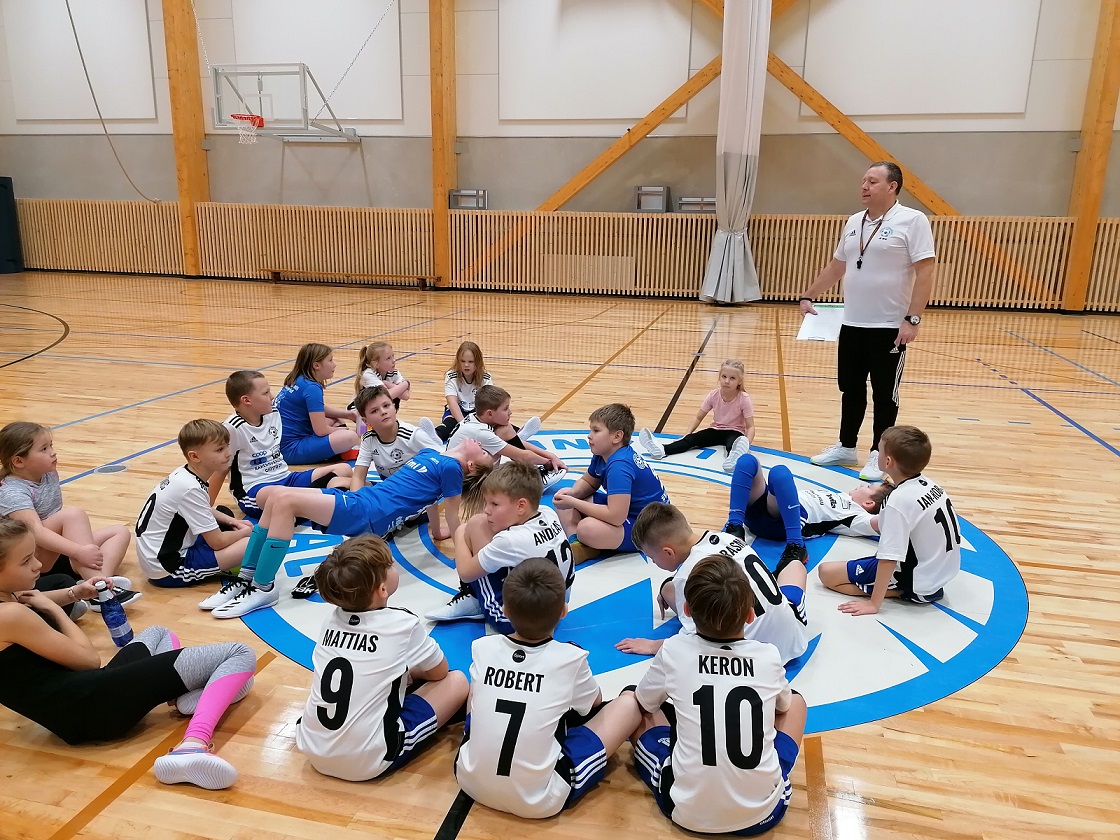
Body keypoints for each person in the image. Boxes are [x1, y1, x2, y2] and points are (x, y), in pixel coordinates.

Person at [0, 517, 256, 790]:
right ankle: (192, 744)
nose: (38, 565)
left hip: (76, 707)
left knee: (158, 633)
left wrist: (75, 592)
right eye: (26, 561)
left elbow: (31, 600)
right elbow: (89, 661)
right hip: (95, 708)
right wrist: (54, 611)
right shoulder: (11, 616)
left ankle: (186, 696)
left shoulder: (8, 598)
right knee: (239, 654)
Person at [209, 440, 494, 619]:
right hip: (365, 501)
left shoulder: (452, 468)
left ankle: (263, 587)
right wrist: (437, 531)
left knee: (285, 501)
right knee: (276, 497)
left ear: (470, 464)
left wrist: (463, 549)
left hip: (371, 514)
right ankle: (246, 579)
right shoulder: (432, 453)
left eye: (483, 451)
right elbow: (432, 500)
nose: (480, 443)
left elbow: (453, 514)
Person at [631, 556, 807, 835]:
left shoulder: (674, 649)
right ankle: (767, 776)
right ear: (750, 614)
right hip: (764, 813)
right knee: (795, 702)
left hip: (687, 813)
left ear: (686, 610)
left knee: (636, 705)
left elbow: (644, 701)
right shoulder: (768, 656)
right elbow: (784, 706)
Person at [454, 557, 641, 819]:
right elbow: (594, 702)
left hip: (467, 778)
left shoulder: (482, 648)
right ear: (563, 611)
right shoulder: (571, 658)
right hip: (539, 799)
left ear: (504, 610)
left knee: (478, 686)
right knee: (629, 704)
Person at [798, 161, 937, 482]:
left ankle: (879, 453)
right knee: (850, 389)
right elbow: (837, 266)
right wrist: (808, 294)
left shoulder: (912, 220)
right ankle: (846, 446)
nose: (864, 186)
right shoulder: (853, 222)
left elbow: (926, 270)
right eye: (863, 180)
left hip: (889, 327)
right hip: (852, 324)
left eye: (872, 181)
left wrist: (913, 318)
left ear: (892, 186)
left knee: (884, 394)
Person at [295, 535, 467, 781]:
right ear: (382, 589)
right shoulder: (402, 623)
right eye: (391, 564)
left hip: (311, 746)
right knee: (457, 680)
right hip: (367, 761)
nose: (395, 566)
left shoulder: (331, 619)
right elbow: (439, 672)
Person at [616, 502, 809, 666]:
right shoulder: (727, 537)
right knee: (794, 566)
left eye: (652, 557)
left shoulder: (687, 576)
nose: (654, 563)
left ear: (668, 552)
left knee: (682, 598)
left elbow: (692, 643)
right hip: (792, 635)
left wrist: (653, 646)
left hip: (749, 657)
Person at [817, 425, 960, 615]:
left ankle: (902, 592)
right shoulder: (930, 484)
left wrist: (874, 604)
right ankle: (914, 589)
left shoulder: (897, 501)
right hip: (940, 574)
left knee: (827, 573)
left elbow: (889, 558)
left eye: (879, 449)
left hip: (918, 582)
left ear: (887, 461)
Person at [0, 421, 137, 606]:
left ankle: (96, 585)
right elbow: (35, 533)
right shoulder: (11, 492)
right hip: (33, 558)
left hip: (56, 550)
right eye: (44, 449)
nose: (52, 452)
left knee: (119, 532)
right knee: (72, 515)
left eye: (51, 446)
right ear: (18, 461)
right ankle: (101, 589)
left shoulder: (47, 473)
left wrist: (79, 551)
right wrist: (78, 551)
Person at [426, 461, 571, 626]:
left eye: (494, 504)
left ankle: (475, 597)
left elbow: (465, 572)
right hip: (557, 608)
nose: (486, 509)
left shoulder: (510, 541)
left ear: (521, 505)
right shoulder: (548, 512)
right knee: (482, 522)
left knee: (475, 525)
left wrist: (459, 533)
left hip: (520, 621)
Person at [214, 370, 352, 519]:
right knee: (280, 495)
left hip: (286, 479)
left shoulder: (273, 413)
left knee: (343, 469)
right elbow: (220, 469)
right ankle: (325, 496)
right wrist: (206, 507)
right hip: (256, 489)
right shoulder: (232, 428)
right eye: (265, 393)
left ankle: (310, 502)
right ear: (247, 400)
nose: (272, 397)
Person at [135, 419, 252, 588]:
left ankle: (221, 559)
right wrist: (244, 532)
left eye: (227, 446)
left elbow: (205, 508)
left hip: (158, 556)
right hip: (169, 569)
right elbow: (218, 542)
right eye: (220, 449)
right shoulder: (190, 488)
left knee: (224, 514)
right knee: (250, 543)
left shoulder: (185, 474)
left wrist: (234, 522)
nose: (228, 453)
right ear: (194, 456)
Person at [553, 404, 669, 563]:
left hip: (649, 528)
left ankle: (589, 543)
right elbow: (588, 482)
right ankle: (578, 544)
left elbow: (616, 517)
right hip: (631, 513)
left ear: (617, 437)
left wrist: (574, 502)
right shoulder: (604, 454)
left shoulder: (619, 465)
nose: (589, 436)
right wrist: (573, 495)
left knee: (586, 528)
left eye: (596, 431)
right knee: (565, 496)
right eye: (590, 430)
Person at [724, 451, 890, 553]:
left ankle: (795, 545)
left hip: (784, 524)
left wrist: (900, 492)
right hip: (762, 514)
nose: (863, 485)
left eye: (869, 487)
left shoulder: (857, 516)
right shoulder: (842, 496)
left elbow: (885, 520)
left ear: (869, 504)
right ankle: (735, 528)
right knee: (747, 460)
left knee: (780, 473)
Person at [349, 385, 446, 534]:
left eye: (386, 406)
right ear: (365, 420)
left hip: (415, 493)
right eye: (374, 411)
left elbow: (445, 460)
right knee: (340, 483)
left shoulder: (412, 435)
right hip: (392, 490)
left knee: (398, 516)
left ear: (394, 407)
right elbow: (358, 476)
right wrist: (357, 505)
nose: (383, 412)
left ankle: (434, 442)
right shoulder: (368, 439)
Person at [638, 359, 755, 473]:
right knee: (692, 439)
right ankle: (662, 449)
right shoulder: (713, 395)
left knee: (733, 445)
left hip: (735, 432)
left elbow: (750, 427)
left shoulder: (743, 399)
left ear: (739, 381)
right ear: (719, 377)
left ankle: (735, 459)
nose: (727, 381)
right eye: (724, 376)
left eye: (732, 378)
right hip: (716, 430)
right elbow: (698, 417)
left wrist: (747, 444)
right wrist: (687, 434)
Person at [446, 385, 562, 485]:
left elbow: (518, 443)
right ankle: (533, 480)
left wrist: (549, 455)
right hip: (464, 484)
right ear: (490, 414)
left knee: (505, 430)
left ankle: (530, 475)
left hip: (461, 472)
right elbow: (523, 455)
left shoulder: (476, 418)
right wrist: (547, 463)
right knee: (506, 443)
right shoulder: (480, 432)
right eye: (506, 409)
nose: (510, 412)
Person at [273, 343, 360, 465]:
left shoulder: (298, 379)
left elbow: (318, 409)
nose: (334, 364)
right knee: (350, 436)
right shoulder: (312, 388)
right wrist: (338, 430)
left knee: (336, 419)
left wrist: (348, 414)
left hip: (280, 444)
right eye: (330, 360)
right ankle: (336, 452)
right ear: (316, 365)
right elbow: (321, 430)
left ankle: (333, 448)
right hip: (291, 450)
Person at [435, 341, 492, 441]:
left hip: (477, 413)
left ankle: (518, 434)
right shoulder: (451, 376)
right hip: (457, 412)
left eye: (470, 362)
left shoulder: (486, 378)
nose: (466, 365)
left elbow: (489, 404)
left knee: (495, 428)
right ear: (458, 361)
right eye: (462, 361)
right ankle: (431, 436)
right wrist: (463, 425)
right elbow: (452, 402)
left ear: (478, 362)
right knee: (448, 426)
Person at [354, 341, 411, 414]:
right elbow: (385, 396)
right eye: (388, 358)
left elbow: (406, 396)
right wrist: (406, 384)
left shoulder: (394, 373)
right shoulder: (368, 374)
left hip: (379, 413)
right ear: (376, 364)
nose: (394, 360)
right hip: (361, 413)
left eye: (393, 356)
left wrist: (388, 384)